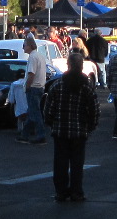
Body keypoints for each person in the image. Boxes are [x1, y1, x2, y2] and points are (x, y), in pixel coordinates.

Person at [43, 52, 100, 202]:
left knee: (60, 163)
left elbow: (48, 109)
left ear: (68, 65)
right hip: (79, 131)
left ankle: (61, 192)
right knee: (77, 164)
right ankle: (76, 192)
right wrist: (91, 126)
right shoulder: (86, 87)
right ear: (81, 66)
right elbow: (94, 109)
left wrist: (51, 123)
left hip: (60, 131)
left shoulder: (57, 86)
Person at [21, 36, 50, 145]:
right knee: (32, 112)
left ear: (29, 46)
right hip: (40, 87)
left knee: (35, 113)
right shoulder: (39, 56)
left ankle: (41, 135)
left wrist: (28, 86)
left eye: (24, 45)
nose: (23, 48)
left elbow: (31, 74)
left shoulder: (32, 57)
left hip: (33, 88)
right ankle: (24, 135)